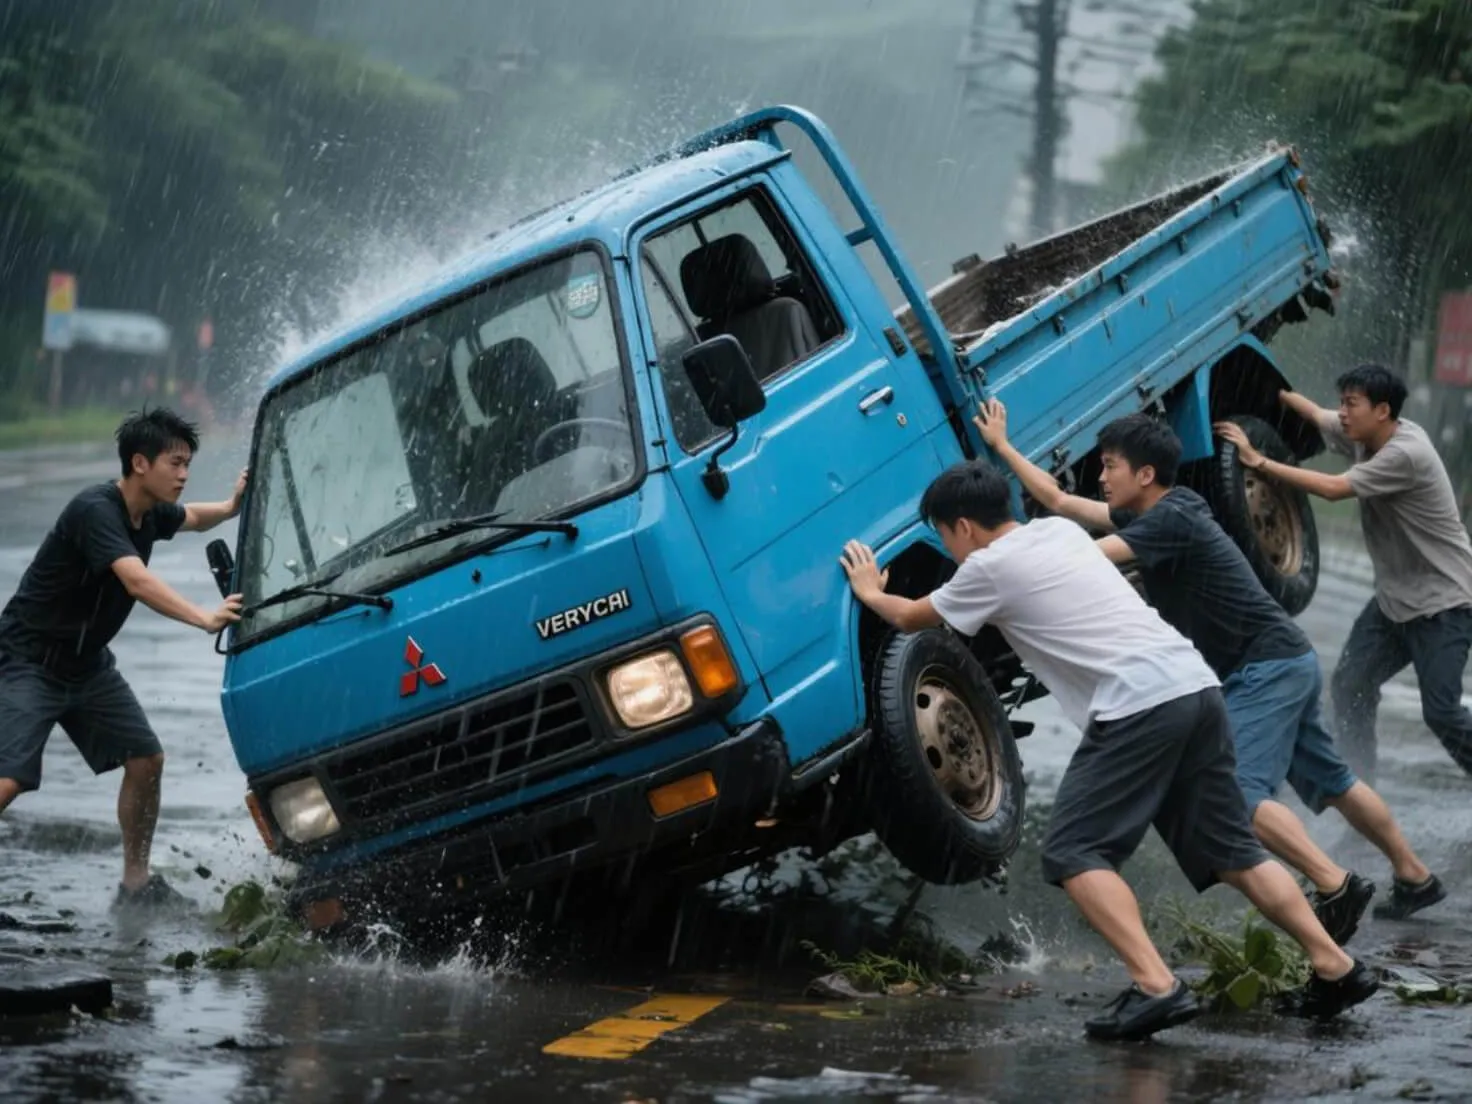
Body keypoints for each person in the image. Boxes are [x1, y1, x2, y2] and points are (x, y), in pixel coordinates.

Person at [839, 459, 1378, 1042]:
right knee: (1233, 851)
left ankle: (1156, 986)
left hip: (1140, 704)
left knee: (1075, 851)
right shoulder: (1060, 531)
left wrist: (869, 590)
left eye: (945, 536)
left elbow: (915, 618)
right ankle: (1336, 967)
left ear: (963, 526)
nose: (951, 548)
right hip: (1195, 687)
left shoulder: (988, 567)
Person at [980, 401, 1444, 932]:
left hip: (1264, 668)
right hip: (1284, 659)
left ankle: (1335, 884)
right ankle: (1414, 875)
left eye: (1110, 466)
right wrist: (1003, 446)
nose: (1101, 477)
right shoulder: (1161, 512)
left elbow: (1083, 558)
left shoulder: (1171, 520)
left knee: (1237, 795)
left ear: (1146, 473)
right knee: (1334, 780)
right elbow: (1061, 500)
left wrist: (997, 559)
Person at [0, 407, 245, 909]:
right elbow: (135, 579)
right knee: (11, 779)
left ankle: (136, 883)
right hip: (29, 659)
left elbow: (196, 518)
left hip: (87, 664)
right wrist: (204, 617)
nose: (183, 474)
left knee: (146, 759)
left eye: (187, 464)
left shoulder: (150, 513)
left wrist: (233, 504)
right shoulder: (96, 510)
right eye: (175, 463)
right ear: (140, 463)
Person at [1215, 366, 1472, 798]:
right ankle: (1361, 791)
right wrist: (1270, 389)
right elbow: (1315, 414)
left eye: (1352, 404)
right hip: (1393, 604)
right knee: (1350, 684)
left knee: (1441, 711)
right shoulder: (1363, 433)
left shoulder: (1406, 453)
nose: (1343, 413)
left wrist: (1259, 462)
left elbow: (1334, 489)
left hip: (1443, 605)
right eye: (1344, 402)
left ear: (1383, 411)